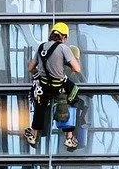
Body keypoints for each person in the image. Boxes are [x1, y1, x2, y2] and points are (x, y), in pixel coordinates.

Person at [25, 22, 83, 151]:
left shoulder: (41, 47)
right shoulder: (64, 48)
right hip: (58, 84)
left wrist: (40, 74)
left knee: (40, 107)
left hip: (43, 85)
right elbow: (77, 69)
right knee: (74, 97)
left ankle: (34, 135)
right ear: (64, 37)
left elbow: (31, 68)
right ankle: (69, 137)